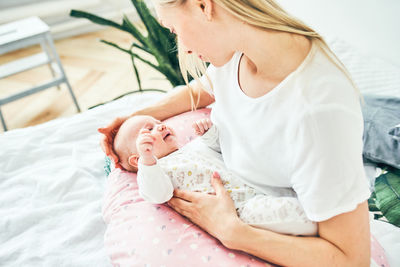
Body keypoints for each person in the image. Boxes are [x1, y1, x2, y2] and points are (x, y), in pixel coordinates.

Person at [98, 0, 372, 265]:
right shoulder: (237, 52)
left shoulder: (316, 114)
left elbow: (352, 259)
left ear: (203, 6)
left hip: (265, 212)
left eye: (174, 30)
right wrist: (133, 121)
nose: (183, 48)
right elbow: (203, 90)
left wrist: (233, 233)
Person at [112, 115, 317, 236]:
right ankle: (321, 222)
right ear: (137, 160)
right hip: (242, 209)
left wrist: (209, 134)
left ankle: (323, 205)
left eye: (157, 122)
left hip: (259, 180)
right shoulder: (158, 172)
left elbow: (226, 149)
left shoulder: (194, 145)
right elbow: (157, 194)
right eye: (148, 131)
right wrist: (148, 162)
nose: (160, 126)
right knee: (287, 212)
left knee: (300, 184)